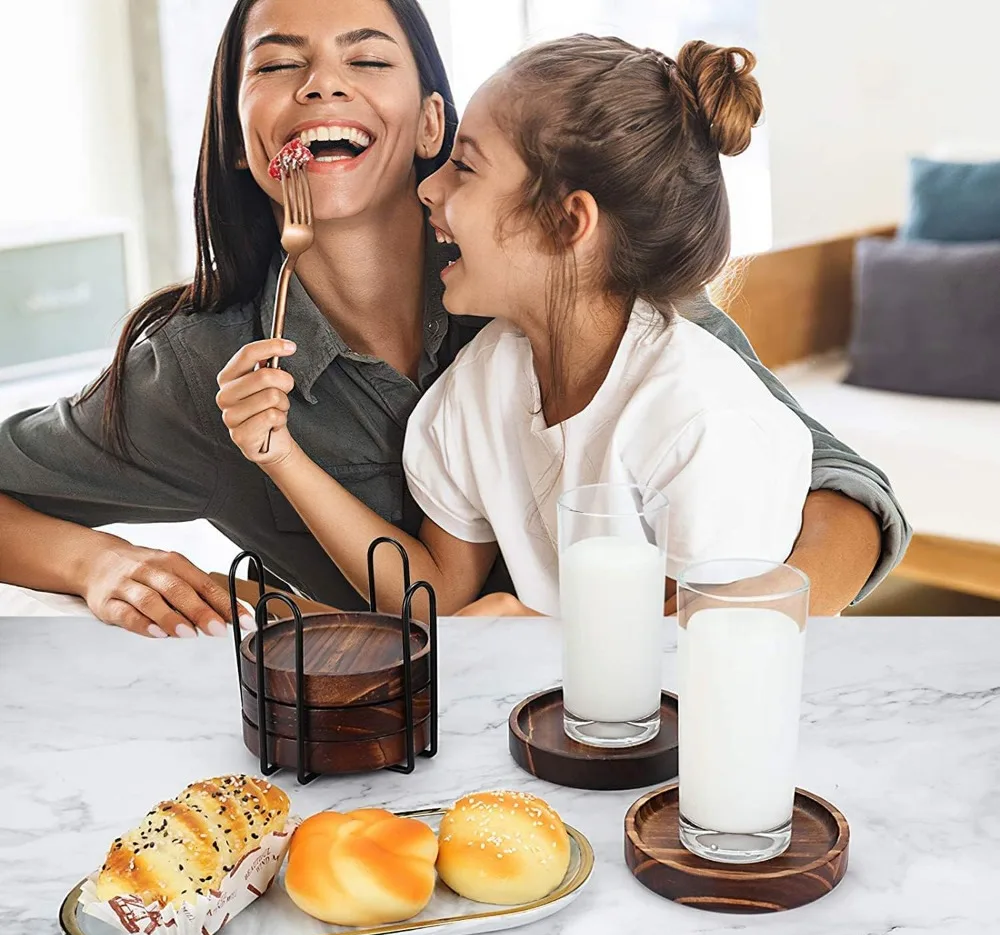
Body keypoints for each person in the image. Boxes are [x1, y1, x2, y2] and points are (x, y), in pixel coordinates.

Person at [0, 0, 907, 638]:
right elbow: (434, 600)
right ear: (242, 137)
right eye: (277, 62)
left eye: (366, 58)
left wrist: (741, 632)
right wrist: (97, 564)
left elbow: (838, 490)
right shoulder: (201, 371)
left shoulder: (581, 284)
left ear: (432, 121)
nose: (321, 85)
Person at [217, 34, 823, 618]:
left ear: (566, 223)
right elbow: (437, 595)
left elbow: (696, 661)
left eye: (466, 168)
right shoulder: (485, 377)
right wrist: (280, 456)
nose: (428, 187)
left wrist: (542, 638)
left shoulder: (704, 424)